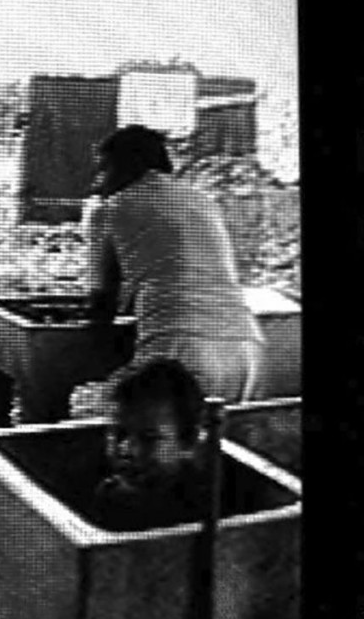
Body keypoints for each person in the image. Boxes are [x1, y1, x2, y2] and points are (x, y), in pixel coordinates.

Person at [84, 124, 265, 406]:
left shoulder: (111, 208)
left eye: (103, 169)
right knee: (215, 432)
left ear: (126, 167)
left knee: (122, 421)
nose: (97, 183)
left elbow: (102, 301)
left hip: (180, 348)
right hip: (247, 350)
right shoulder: (203, 201)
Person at [93, 358, 210, 531]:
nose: (127, 450)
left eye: (149, 439)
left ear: (188, 441)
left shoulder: (203, 504)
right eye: (119, 433)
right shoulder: (110, 495)